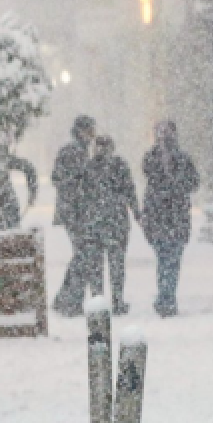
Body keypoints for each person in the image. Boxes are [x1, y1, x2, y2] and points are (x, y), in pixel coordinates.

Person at [74, 136, 140, 314]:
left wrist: (79, 218)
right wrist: (136, 211)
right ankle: (115, 301)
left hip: (97, 223)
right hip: (114, 222)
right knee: (114, 265)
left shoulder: (88, 167)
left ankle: (100, 302)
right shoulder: (117, 166)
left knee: (99, 266)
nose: (101, 150)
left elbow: (79, 196)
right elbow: (130, 191)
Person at [141, 121, 200, 317]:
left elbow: (193, 183)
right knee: (167, 260)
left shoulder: (179, 159)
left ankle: (166, 298)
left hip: (172, 217)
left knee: (169, 260)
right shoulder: (153, 159)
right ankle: (166, 298)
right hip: (165, 218)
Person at [51, 115, 97, 316]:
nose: (93, 135)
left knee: (81, 256)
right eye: (90, 130)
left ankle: (66, 298)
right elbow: (60, 178)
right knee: (83, 256)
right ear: (81, 131)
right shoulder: (74, 152)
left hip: (75, 211)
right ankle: (70, 300)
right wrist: (77, 188)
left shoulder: (79, 151)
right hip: (75, 212)